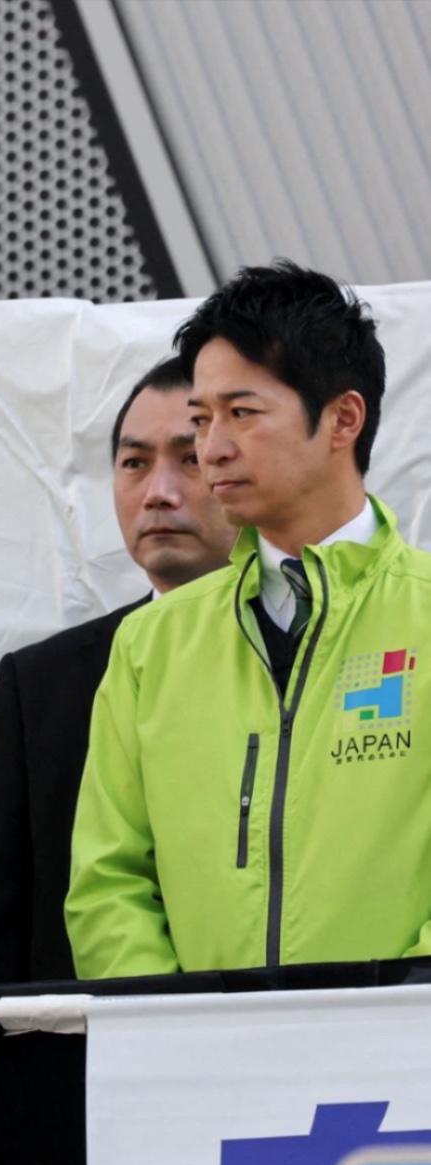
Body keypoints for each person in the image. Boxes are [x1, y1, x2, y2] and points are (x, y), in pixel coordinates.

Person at [68, 261, 431, 978]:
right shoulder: (151, 642)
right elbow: (107, 880)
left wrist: (391, 1018)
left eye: (242, 413)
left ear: (341, 418)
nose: (212, 448)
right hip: (205, 1071)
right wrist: (178, 1027)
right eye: (202, 418)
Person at [0, 355, 234, 983]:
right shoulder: (41, 686)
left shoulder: (320, 654)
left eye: (189, 458)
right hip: (82, 1056)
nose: (158, 491)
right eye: (134, 463)